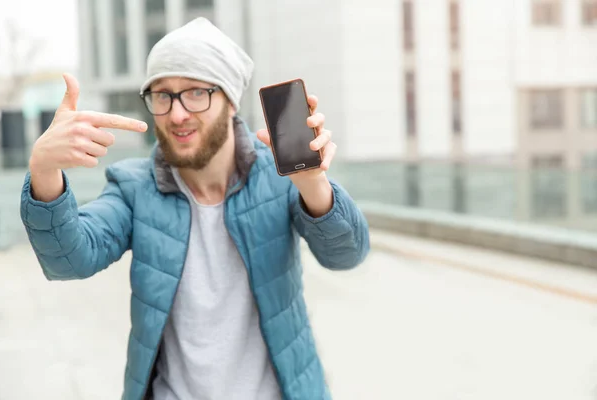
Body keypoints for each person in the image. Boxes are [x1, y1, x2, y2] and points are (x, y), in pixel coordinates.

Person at [20, 17, 369, 400]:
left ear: (230, 101)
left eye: (196, 93)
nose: (177, 113)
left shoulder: (280, 176)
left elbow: (346, 255)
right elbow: (68, 260)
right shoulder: (135, 187)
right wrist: (44, 170)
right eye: (162, 94)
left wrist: (314, 186)